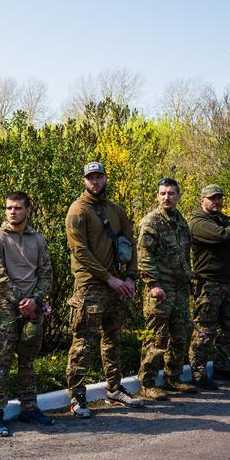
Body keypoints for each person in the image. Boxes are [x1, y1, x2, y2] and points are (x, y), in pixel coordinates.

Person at [64, 162, 143, 419]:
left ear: (105, 178)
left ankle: (114, 388)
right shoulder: (78, 211)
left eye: (99, 177)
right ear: (84, 181)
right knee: (83, 343)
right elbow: (80, 252)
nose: (95, 182)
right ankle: (76, 397)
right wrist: (109, 278)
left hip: (117, 285)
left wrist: (130, 277)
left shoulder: (116, 210)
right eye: (90, 178)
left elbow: (130, 244)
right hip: (91, 285)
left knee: (113, 339)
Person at [0, 192, 54, 437]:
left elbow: (47, 274)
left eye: (17, 208)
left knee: (28, 359)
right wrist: (19, 302)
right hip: (6, 307)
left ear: (27, 210)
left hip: (33, 308)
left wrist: (35, 301)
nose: (12, 212)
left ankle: (29, 408)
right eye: (8, 208)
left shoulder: (38, 240)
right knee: (2, 361)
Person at [137, 178, 198, 400]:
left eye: (171, 193)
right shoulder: (151, 222)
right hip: (161, 289)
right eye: (162, 193)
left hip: (180, 287)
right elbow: (144, 256)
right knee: (157, 337)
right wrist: (153, 284)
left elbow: (185, 254)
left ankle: (174, 377)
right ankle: (148, 382)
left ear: (178, 196)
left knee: (180, 334)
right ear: (157, 196)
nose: (167, 197)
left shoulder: (180, 221)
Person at [187, 185, 230, 389]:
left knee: (227, 328)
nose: (216, 202)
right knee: (205, 330)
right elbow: (220, 236)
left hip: (226, 283)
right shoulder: (198, 222)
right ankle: (199, 372)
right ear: (202, 200)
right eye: (212, 198)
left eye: (219, 198)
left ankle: (223, 367)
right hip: (208, 284)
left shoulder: (223, 221)